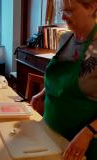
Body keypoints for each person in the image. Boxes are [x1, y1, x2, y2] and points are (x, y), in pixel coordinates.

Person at [31, 0, 97, 159]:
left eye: (69, 11)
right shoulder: (65, 38)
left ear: (91, 7)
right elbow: (61, 79)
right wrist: (44, 92)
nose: (63, 17)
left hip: (82, 145)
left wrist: (90, 131)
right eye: (62, 11)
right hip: (50, 131)